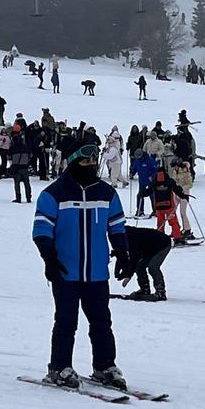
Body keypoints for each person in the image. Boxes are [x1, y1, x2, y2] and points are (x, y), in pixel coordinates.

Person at [32, 136, 131, 389]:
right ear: (74, 161)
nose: (90, 164)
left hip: (96, 272)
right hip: (66, 271)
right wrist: (49, 258)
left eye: (93, 160)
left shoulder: (106, 192)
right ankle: (59, 367)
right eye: (85, 160)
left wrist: (123, 254)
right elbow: (42, 231)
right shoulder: (54, 194)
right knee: (66, 321)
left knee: (101, 321)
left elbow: (117, 226)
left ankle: (104, 366)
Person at [120, 225, 172, 301]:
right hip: (149, 248)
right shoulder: (124, 235)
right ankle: (145, 289)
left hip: (163, 244)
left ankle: (161, 292)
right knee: (139, 266)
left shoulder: (129, 237)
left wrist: (128, 276)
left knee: (153, 267)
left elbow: (134, 257)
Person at [140, 168, 189, 242]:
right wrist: (184, 196)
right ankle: (178, 238)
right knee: (173, 222)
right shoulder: (169, 181)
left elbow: (147, 192)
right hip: (169, 206)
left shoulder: (154, 182)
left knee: (160, 223)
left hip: (158, 206)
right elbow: (177, 190)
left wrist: (142, 194)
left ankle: (160, 238)